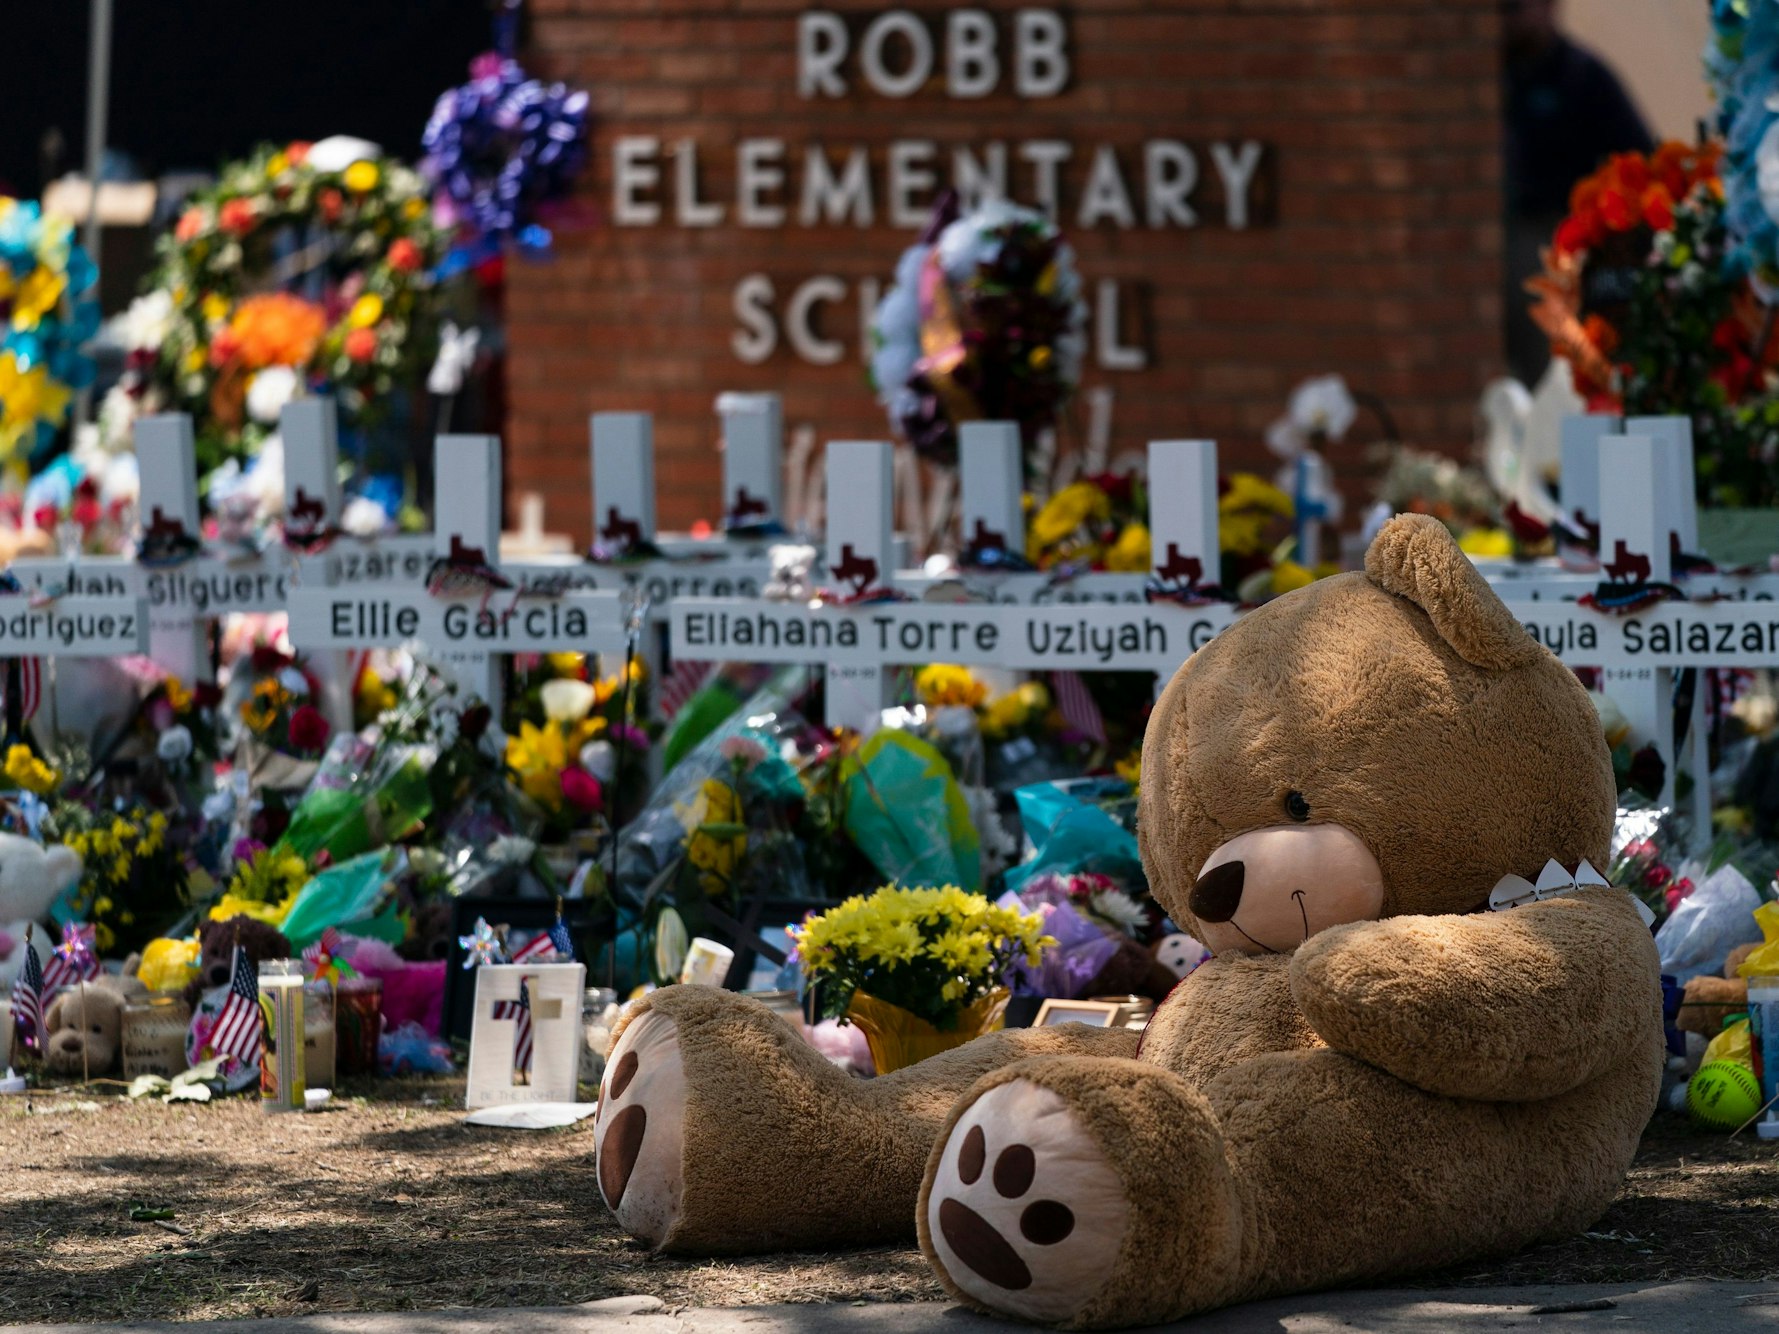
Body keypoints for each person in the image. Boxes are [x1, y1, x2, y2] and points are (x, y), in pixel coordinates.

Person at [1502, 0, 1653, 385]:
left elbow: (1641, 160)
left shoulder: (1582, 76)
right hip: (1504, 236)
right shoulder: (1494, 77)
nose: (1508, 17)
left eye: (1515, 6)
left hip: (1561, 239)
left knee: (1556, 365)